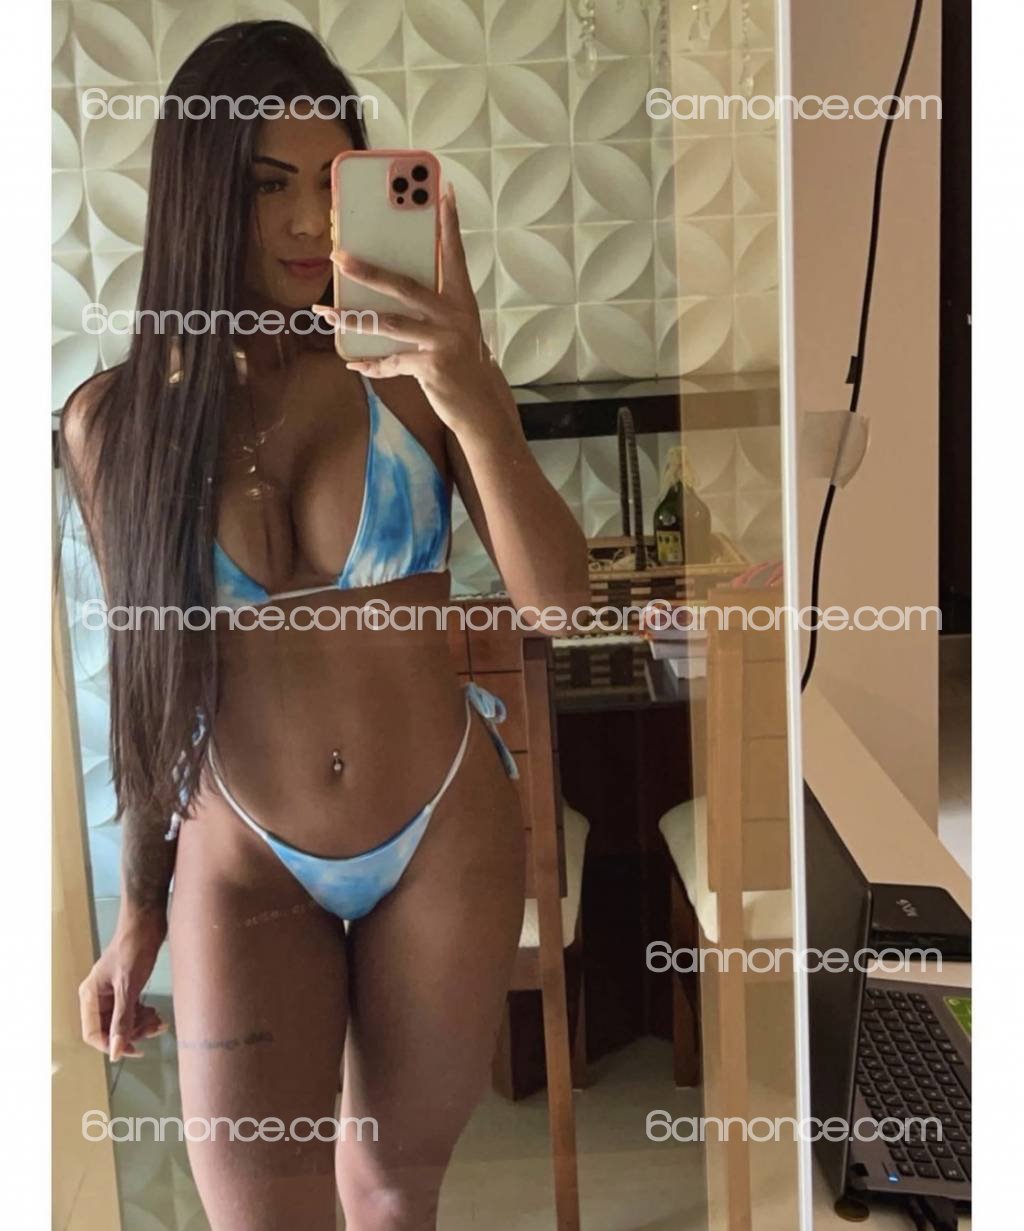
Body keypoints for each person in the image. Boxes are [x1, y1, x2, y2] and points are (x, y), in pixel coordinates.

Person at [61, 21, 589, 1230]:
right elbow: (150, 676)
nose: (310, 223)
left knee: (394, 1197)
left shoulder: (416, 375)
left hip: (440, 829)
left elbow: (558, 604)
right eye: (268, 186)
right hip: (241, 850)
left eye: (329, 180)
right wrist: (137, 913)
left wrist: (474, 394)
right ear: (199, 196)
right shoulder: (115, 424)